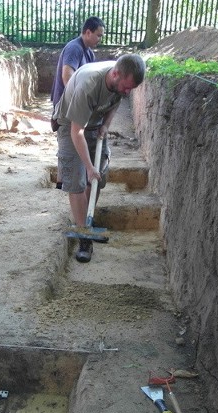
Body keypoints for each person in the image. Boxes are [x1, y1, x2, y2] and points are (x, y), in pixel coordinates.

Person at [53, 53, 146, 263]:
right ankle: (84, 237)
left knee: (97, 179)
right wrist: (87, 166)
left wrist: (105, 125)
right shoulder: (89, 85)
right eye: (126, 87)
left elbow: (115, 102)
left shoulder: (121, 82)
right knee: (76, 181)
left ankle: (87, 221)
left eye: (131, 88)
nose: (128, 92)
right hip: (71, 124)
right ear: (115, 74)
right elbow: (77, 132)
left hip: (95, 124)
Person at [51, 16, 105, 189]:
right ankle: (65, 181)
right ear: (87, 32)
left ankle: (66, 180)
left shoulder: (88, 51)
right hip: (66, 106)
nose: (100, 39)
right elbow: (67, 76)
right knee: (68, 141)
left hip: (74, 105)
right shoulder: (75, 48)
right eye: (98, 35)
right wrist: (80, 103)